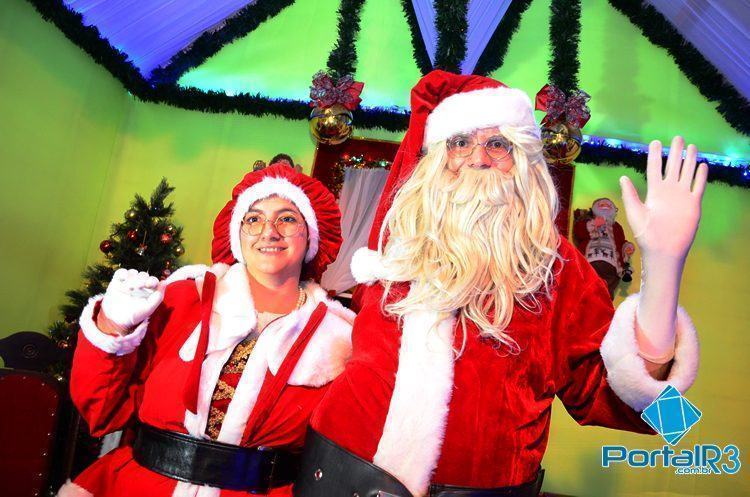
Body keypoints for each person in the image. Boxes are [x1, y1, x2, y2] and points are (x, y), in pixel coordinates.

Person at [295, 71, 703, 497]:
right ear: (436, 159)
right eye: (459, 142)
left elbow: (646, 409)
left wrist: (664, 267)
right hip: (337, 476)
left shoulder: (557, 267)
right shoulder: (397, 246)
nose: (477, 158)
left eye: (497, 144)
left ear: (523, 159)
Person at [59, 164, 355, 497]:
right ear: (237, 234)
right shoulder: (182, 298)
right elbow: (102, 412)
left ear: (311, 235)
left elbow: (342, 455)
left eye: (287, 219)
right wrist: (111, 325)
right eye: (253, 218)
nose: (268, 231)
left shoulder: (340, 339)